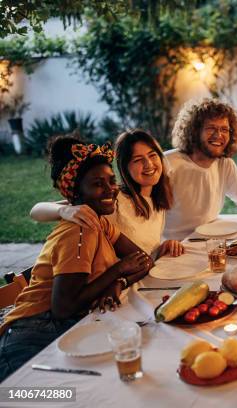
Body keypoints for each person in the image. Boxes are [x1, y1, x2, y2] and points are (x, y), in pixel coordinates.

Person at [0, 136, 153, 382]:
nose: (110, 189)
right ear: (77, 193)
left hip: (70, 322)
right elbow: (63, 308)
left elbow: (143, 260)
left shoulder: (99, 221)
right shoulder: (79, 230)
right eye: (97, 184)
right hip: (30, 336)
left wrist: (118, 282)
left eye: (111, 181)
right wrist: (117, 271)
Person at [30, 130, 184, 258]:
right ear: (125, 167)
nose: (148, 164)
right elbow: (36, 211)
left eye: (152, 155)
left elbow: (144, 251)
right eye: (138, 159)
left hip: (143, 276)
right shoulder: (112, 198)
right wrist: (64, 210)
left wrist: (162, 248)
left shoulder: (156, 199)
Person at [164, 98, 237, 241]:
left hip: (209, 242)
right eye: (211, 128)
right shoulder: (168, 163)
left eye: (224, 129)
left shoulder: (225, 164)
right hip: (174, 247)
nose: (219, 135)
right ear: (194, 131)